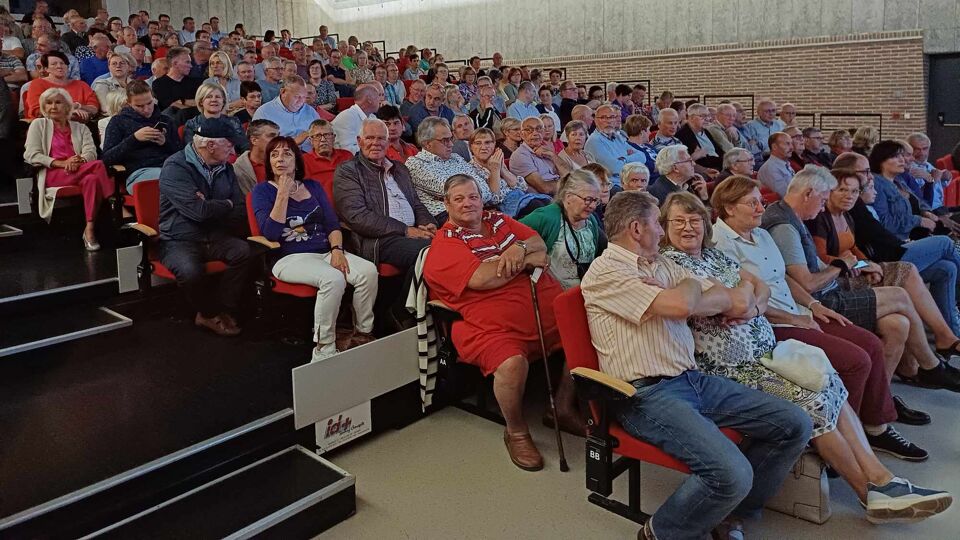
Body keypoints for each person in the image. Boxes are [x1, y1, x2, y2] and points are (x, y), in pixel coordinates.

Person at [660, 191, 954, 525]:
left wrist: (751, 302)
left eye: (695, 219)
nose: (688, 227)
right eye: (678, 221)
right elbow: (738, 300)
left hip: (764, 353)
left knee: (830, 383)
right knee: (812, 400)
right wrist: (745, 299)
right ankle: (868, 494)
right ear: (664, 227)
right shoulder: (671, 264)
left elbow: (759, 287)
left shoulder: (714, 257)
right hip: (730, 369)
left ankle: (884, 480)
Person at [580, 189, 811, 540]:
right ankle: (660, 533)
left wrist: (685, 292)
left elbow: (730, 299)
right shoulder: (605, 272)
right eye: (657, 224)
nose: (661, 231)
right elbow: (679, 307)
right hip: (644, 395)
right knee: (732, 473)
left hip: (691, 380)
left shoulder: (661, 264)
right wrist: (688, 291)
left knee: (794, 423)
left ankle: (729, 513)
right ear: (636, 229)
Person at [424, 174, 580, 471]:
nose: (468, 203)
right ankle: (516, 431)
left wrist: (518, 249)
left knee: (584, 327)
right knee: (511, 362)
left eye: (472, 196)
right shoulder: (445, 244)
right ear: (446, 204)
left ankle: (561, 406)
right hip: (487, 327)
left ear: (482, 198)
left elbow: (538, 245)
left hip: (543, 310)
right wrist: (525, 259)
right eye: (459, 199)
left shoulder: (498, 220)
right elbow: (483, 279)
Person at [252, 136, 378, 361]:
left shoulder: (313, 186)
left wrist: (337, 250)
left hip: (326, 252)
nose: (280, 159)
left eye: (287, 154)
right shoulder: (262, 192)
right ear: (268, 162)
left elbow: (331, 223)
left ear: (297, 160)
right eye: (274, 155)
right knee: (333, 278)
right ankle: (324, 347)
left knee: (368, 272)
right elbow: (270, 233)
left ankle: (362, 334)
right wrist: (282, 192)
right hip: (289, 258)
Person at [808, 168, 960, 352]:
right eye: (842, 190)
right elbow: (822, 257)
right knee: (913, 266)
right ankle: (944, 338)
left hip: (854, 269)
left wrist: (868, 265)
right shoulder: (820, 218)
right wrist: (862, 265)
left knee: (944, 268)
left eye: (855, 191)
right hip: (836, 280)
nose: (849, 196)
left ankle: (947, 335)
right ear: (829, 190)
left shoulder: (845, 215)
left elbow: (853, 248)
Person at [158, 116, 255, 336]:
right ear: (211, 145)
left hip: (215, 234)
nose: (233, 150)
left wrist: (212, 205)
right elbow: (197, 211)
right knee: (189, 270)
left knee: (244, 252)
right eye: (229, 144)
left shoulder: (226, 168)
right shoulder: (175, 167)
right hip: (179, 238)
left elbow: (239, 208)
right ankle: (206, 313)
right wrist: (224, 204)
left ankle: (223, 308)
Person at [334, 118, 436, 270]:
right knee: (432, 253)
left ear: (388, 142)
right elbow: (357, 216)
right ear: (359, 141)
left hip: (413, 232)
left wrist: (428, 223)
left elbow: (415, 203)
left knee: (458, 245)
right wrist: (406, 230)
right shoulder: (348, 171)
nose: (376, 143)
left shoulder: (400, 169)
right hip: (378, 240)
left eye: (381, 138)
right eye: (369, 138)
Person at [24, 87, 113, 250]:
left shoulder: (81, 128)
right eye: (48, 103)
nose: (53, 107)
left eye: (58, 102)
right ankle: (112, 200)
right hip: (54, 174)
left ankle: (89, 229)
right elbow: (31, 155)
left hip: (81, 171)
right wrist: (62, 163)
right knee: (99, 165)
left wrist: (77, 161)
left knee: (92, 179)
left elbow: (91, 153)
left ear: (67, 106)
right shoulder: (39, 125)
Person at [519, 169, 606, 289]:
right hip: (552, 292)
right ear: (568, 197)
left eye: (596, 201)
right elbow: (511, 237)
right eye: (588, 199)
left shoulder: (591, 221)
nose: (592, 206)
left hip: (586, 290)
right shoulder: (545, 217)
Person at [407, 117, 490, 220]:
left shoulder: (456, 158)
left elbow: (486, 190)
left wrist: (474, 196)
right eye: (445, 140)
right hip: (447, 216)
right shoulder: (416, 164)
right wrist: (476, 196)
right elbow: (455, 192)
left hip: (473, 210)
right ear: (427, 144)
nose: (451, 144)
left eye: (451, 139)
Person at [102, 80, 179, 189]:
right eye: (139, 106)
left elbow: (179, 153)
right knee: (170, 178)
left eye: (149, 103)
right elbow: (106, 159)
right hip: (138, 172)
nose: (147, 109)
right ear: (129, 103)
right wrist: (134, 139)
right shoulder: (118, 121)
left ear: (153, 98)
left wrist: (165, 142)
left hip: (169, 167)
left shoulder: (166, 120)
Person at [468, 127, 549, 218]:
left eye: (488, 142)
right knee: (539, 208)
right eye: (478, 143)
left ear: (494, 144)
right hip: (504, 209)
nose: (483, 147)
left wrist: (502, 169)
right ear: (471, 146)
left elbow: (522, 187)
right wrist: (495, 171)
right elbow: (494, 200)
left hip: (522, 198)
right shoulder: (470, 169)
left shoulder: (496, 160)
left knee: (552, 206)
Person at [252, 75, 321, 152]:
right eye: (297, 97)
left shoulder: (310, 111)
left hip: (310, 157)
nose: (301, 101)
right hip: (279, 158)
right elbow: (260, 146)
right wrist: (293, 143)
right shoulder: (264, 113)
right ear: (283, 92)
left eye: (304, 97)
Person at [584, 104, 648, 186]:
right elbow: (615, 168)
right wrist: (629, 159)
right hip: (610, 185)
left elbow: (642, 157)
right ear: (595, 121)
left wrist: (623, 159)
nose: (609, 121)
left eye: (612, 117)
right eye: (603, 117)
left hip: (627, 182)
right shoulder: (594, 141)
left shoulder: (618, 137)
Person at [26, 51, 99, 121]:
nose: (59, 66)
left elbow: (94, 109)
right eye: (54, 64)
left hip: (81, 126)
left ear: (67, 67)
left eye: (62, 63)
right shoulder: (37, 84)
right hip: (47, 126)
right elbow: (37, 111)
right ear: (46, 69)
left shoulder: (82, 85)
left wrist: (77, 106)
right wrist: (69, 112)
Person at [183, 82, 248, 153]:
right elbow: (192, 152)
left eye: (218, 97)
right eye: (209, 97)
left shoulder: (233, 122)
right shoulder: (192, 124)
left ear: (223, 101)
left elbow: (244, 147)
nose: (214, 100)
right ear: (201, 101)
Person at [302, 119, 352, 201]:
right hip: (323, 209)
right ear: (311, 141)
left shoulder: (347, 155)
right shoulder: (304, 160)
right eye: (317, 136)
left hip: (351, 205)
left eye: (327, 135)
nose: (323, 140)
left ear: (334, 138)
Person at [151, 46, 202, 124]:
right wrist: (191, 105)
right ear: (175, 63)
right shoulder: (159, 84)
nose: (191, 66)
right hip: (171, 122)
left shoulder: (195, 81)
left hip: (196, 121)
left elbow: (201, 103)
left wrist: (182, 101)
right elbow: (172, 105)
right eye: (187, 62)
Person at [330, 82, 382, 154]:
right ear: (369, 99)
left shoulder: (372, 117)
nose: (381, 99)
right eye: (378, 96)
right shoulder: (346, 118)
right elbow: (346, 151)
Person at [234, 119, 279, 194]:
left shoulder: (286, 164)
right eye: (271, 136)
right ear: (254, 140)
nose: (278, 140)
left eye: (278, 136)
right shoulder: (238, 170)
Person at [677, 103, 724, 171]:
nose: (708, 119)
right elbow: (688, 162)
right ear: (692, 118)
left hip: (719, 166)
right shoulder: (683, 135)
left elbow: (718, 152)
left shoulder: (706, 132)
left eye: (708, 115)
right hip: (706, 171)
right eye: (703, 116)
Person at [742, 99, 785, 165]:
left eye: (773, 111)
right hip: (762, 159)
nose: (771, 114)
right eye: (767, 111)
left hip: (781, 157)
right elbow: (751, 149)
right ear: (758, 112)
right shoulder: (750, 126)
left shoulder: (780, 125)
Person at [757, 132, 795, 197]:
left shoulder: (785, 164)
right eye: (787, 144)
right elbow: (784, 195)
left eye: (791, 144)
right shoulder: (770, 168)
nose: (792, 148)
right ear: (774, 147)